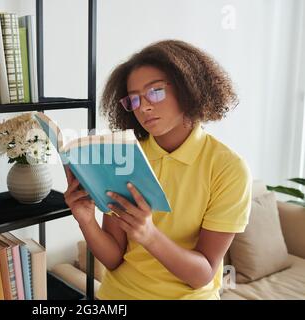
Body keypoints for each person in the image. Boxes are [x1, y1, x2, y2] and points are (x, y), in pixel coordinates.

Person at [63, 40, 252, 299]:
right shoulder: (125, 156)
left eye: (155, 92)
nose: (144, 106)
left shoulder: (228, 169)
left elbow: (202, 274)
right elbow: (114, 258)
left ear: (188, 87)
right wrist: (86, 220)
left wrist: (149, 235)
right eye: (134, 99)